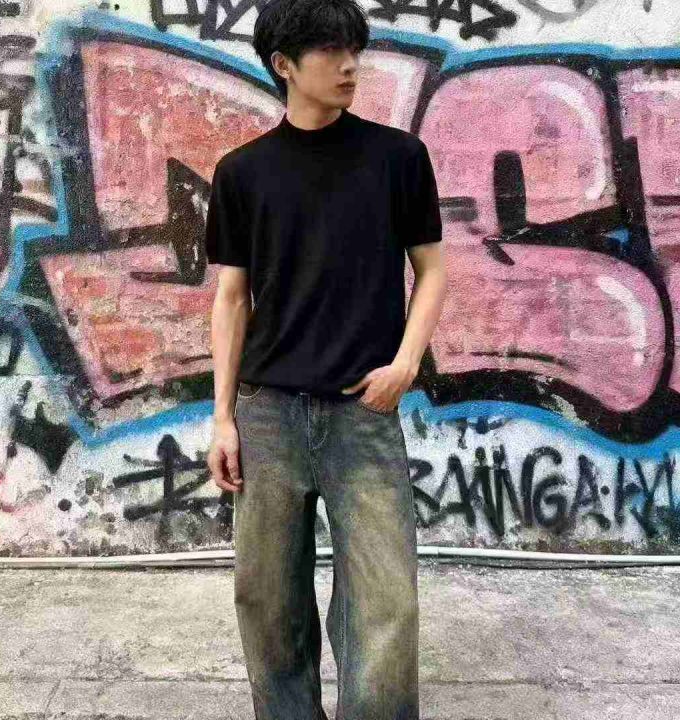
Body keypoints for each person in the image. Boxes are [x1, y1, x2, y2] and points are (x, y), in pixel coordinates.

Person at [205, 0, 447, 717]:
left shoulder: (397, 159)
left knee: (385, 604)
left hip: (362, 413)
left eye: (354, 49)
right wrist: (222, 417)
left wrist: (406, 363)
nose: (349, 66)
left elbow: (432, 270)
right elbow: (231, 299)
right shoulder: (242, 172)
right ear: (284, 65)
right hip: (268, 414)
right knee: (268, 602)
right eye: (331, 51)